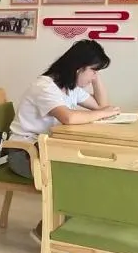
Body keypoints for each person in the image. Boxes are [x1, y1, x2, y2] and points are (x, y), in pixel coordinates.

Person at [8, 40, 120, 241]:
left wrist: (96, 78)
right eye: (93, 71)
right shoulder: (45, 87)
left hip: (47, 151)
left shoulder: (70, 87)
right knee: (77, 177)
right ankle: (49, 232)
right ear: (79, 68)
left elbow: (101, 106)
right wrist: (104, 114)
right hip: (24, 154)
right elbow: (68, 117)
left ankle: (63, 230)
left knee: (89, 169)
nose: (94, 76)